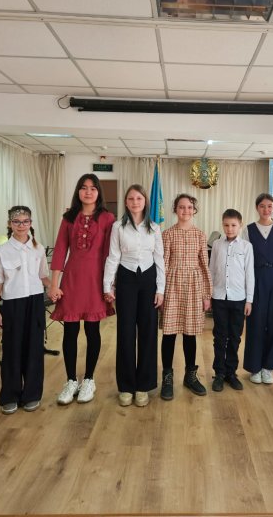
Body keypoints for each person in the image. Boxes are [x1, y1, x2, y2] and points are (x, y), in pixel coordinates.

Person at [49, 174, 115, 405]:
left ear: (98, 192)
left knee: (92, 330)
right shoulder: (69, 217)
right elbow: (60, 250)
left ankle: (89, 379)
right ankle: (70, 381)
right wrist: (54, 284)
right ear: (78, 191)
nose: (88, 192)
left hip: (96, 280)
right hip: (72, 279)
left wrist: (110, 284)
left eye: (92, 188)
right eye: (84, 188)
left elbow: (111, 254)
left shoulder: (107, 218)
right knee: (70, 330)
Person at [103, 184, 165, 408]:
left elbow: (159, 259)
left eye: (139, 198)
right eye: (131, 199)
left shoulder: (154, 228)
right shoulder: (118, 227)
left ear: (145, 201)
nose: (135, 202)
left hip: (149, 280)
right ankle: (126, 386)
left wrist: (160, 289)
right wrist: (107, 286)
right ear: (126, 202)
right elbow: (113, 257)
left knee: (148, 332)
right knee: (126, 332)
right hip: (126, 279)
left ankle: (143, 386)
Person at [0, 206, 50, 415]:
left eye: (25, 221)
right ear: (9, 224)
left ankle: (32, 394)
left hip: (35, 302)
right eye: (16, 222)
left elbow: (43, 277)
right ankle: (10, 396)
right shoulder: (2, 251)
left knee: (34, 348)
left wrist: (56, 287)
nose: (21, 225)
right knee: (12, 349)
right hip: (13, 303)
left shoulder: (38, 249)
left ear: (30, 223)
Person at [160, 193, 212, 400]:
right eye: (181, 207)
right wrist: (160, 291)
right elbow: (163, 264)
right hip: (172, 285)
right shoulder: (167, 234)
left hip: (193, 286)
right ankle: (167, 377)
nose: (186, 211)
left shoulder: (200, 235)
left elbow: (204, 265)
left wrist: (207, 294)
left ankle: (190, 375)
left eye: (189, 207)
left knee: (190, 333)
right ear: (175, 210)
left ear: (194, 210)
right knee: (169, 333)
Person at [243, 193, 273, 384]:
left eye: (269, 206)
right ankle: (255, 367)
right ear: (257, 208)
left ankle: (268, 367)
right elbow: (246, 260)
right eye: (262, 206)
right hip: (256, 278)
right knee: (255, 322)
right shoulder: (248, 230)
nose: (266, 209)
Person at [209, 209, 254, 392]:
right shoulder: (217, 245)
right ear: (222, 224)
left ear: (240, 225)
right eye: (226, 225)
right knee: (220, 337)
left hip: (238, 299)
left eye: (233, 225)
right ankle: (219, 373)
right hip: (219, 297)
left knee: (235, 337)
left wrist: (249, 300)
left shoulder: (246, 247)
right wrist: (209, 294)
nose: (229, 229)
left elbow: (249, 274)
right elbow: (211, 270)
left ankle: (231, 373)